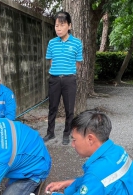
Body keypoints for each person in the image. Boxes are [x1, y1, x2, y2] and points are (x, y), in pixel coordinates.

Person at [43, 11, 83, 145]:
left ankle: (67, 133)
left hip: (69, 80)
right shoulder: (52, 43)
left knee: (69, 109)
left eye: (62, 25)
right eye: (56, 25)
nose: (58, 28)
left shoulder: (77, 43)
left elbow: (78, 63)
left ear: (69, 26)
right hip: (54, 79)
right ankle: (50, 133)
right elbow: (51, 61)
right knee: (52, 107)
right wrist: (58, 73)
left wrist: (67, 73)